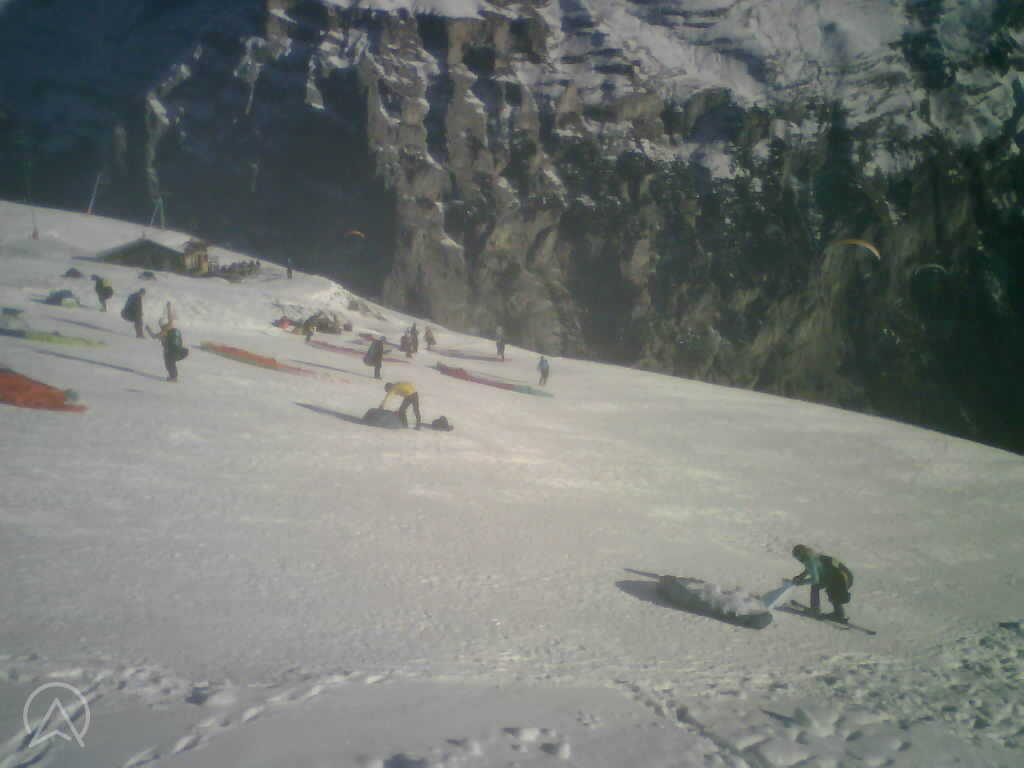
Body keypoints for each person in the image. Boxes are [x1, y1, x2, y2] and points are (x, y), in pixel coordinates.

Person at [790, 544, 853, 622]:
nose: (797, 559)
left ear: (801, 555)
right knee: (832, 591)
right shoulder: (812, 556)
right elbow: (811, 569)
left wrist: (801, 582)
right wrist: (800, 576)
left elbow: (815, 579)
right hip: (844, 576)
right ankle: (838, 614)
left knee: (816, 587)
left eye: (797, 557)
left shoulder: (809, 560)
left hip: (841, 578)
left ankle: (816, 609)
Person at [148, 311, 187, 382]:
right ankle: (173, 376)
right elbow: (170, 320)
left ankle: (173, 377)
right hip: (181, 351)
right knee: (170, 362)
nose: (162, 328)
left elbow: (154, 336)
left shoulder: (164, 332)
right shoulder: (176, 330)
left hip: (172, 352)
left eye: (162, 327)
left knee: (169, 363)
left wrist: (148, 330)